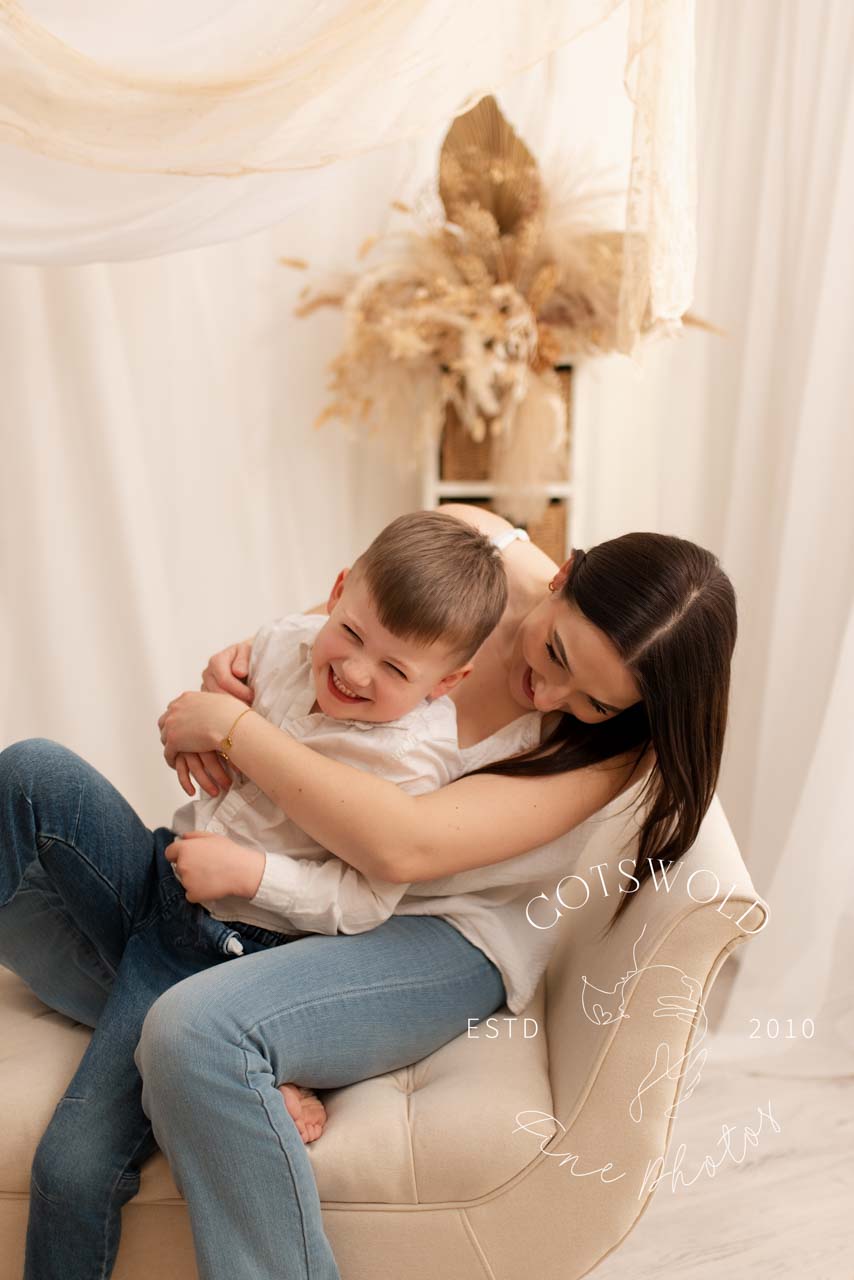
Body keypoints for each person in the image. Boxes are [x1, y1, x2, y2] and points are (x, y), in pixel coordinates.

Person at [136, 504, 736, 1280]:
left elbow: (402, 847)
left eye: (591, 702)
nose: (550, 694)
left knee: (195, 1033)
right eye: (555, 650)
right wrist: (235, 674)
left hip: (443, 934)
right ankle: (256, 1071)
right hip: (305, 878)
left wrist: (232, 731)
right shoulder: (470, 543)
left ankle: (250, 1064)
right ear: (561, 576)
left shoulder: (607, 754)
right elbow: (315, 650)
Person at [0, 508, 522, 1279]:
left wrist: (253, 876)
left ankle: (230, 1070)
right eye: (353, 634)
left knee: (71, 1169)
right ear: (337, 593)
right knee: (31, 769)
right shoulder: (287, 644)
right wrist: (190, 732)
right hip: (164, 875)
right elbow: (216, 715)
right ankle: (251, 1079)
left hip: (229, 954)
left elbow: (362, 904)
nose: (356, 672)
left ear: (446, 683)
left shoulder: (413, 763)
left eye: (396, 670)